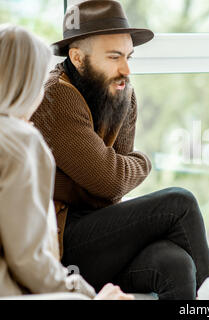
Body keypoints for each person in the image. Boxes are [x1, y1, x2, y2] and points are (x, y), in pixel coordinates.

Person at [31, 0, 209, 300]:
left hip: (103, 235)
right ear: (77, 58)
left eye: (129, 56)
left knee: (176, 264)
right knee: (180, 203)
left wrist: (94, 178)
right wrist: (141, 161)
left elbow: (111, 191)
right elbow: (111, 180)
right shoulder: (56, 98)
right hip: (62, 244)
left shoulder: (122, 93)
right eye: (114, 57)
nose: (126, 69)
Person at [0, 23, 133, 300]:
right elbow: (28, 260)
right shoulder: (21, 141)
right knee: (180, 203)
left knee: (172, 260)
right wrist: (86, 294)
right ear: (28, 86)